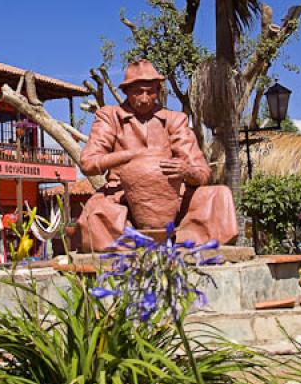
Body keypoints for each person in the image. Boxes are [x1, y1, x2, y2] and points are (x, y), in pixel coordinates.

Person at [79, 60, 238, 251]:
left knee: (218, 196)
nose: (145, 98)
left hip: (174, 197)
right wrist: (133, 155)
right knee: (97, 212)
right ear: (127, 91)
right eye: (138, 92)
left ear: (158, 90)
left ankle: (181, 239)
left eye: (150, 91)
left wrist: (186, 171)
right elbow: (88, 163)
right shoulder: (110, 116)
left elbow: (203, 173)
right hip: (123, 196)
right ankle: (136, 241)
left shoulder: (175, 120)